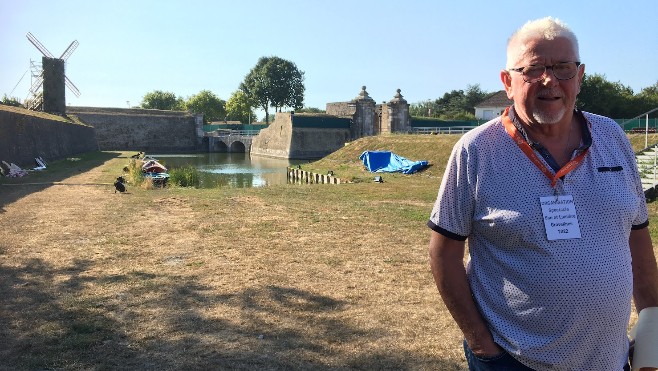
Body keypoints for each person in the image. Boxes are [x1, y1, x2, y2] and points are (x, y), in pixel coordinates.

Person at [427, 17, 658, 371]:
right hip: (515, 361)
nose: (550, 80)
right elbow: (444, 254)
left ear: (579, 77)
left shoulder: (612, 138)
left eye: (563, 68)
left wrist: (652, 337)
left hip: (611, 360)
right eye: (533, 69)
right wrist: (482, 345)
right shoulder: (476, 151)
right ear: (508, 81)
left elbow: (639, 242)